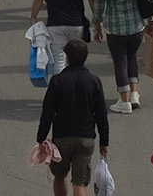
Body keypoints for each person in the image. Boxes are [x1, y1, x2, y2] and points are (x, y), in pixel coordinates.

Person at [35, 38, 109, 196]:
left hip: (61, 139)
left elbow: (47, 112)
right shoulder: (94, 82)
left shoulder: (58, 81)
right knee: (80, 182)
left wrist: (41, 138)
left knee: (60, 176)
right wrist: (104, 141)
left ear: (67, 57)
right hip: (86, 139)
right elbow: (102, 114)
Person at [92, 0, 147, 114]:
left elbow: (98, 9)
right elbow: (146, 2)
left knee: (120, 63)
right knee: (132, 59)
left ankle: (124, 101)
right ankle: (134, 94)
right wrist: (150, 21)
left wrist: (97, 27)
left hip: (116, 29)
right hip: (136, 27)